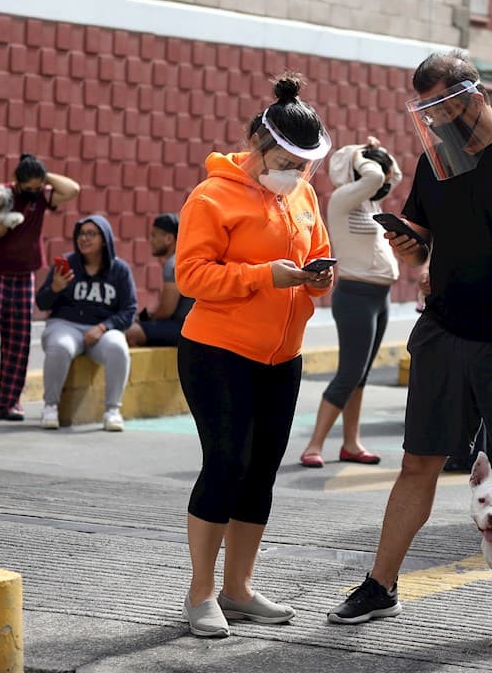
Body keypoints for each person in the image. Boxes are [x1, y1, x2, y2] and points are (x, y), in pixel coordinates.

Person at [327, 50, 492, 644]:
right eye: (424, 110)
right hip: (445, 332)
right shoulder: (438, 163)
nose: (432, 122)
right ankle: (380, 585)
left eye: (439, 107)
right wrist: (411, 249)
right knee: (418, 463)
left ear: (471, 95)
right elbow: (428, 245)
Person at [176, 74, 334, 638]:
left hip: (282, 356)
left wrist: (318, 278)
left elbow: (315, 251)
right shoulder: (212, 195)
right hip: (218, 350)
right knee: (226, 463)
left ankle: (238, 588)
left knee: (261, 471)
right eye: (289, 160)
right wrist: (262, 276)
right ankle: (201, 592)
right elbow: (191, 275)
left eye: (306, 163)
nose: (298, 172)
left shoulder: (303, 193)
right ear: (259, 146)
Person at [299, 137, 402, 468]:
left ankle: (351, 443)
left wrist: (379, 150)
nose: (383, 179)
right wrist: (359, 155)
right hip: (356, 296)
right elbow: (375, 178)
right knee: (349, 372)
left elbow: (392, 176)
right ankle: (314, 445)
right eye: (376, 170)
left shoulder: (372, 203)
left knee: (362, 374)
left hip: (379, 297)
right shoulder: (344, 199)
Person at [0, 154, 80, 422]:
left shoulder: (43, 197)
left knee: (19, 341)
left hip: (25, 276)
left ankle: (10, 404)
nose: (35, 193)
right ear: (17, 181)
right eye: (30, 187)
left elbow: (73, 189)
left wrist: (43, 176)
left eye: (39, 187)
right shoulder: (0, 195)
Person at [36, 215, 137, 432]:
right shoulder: (67, 264)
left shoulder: (119, 270)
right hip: (65, 324)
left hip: (101, 329)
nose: (84, 238)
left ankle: (112, 410)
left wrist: (103, 327)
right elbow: (41, 302)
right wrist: (54, 288)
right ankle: (50, 407)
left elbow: (129, 310)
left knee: (118, 347)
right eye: (81, 234)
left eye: (92, 234)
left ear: (104, 239)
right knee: (60, 346)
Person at [125, 213, 194, 348]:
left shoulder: (173, 264)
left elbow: (166, 310)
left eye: (154, 235)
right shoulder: (182, 259)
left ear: (169, 238)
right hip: (186, 326)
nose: (150, 240)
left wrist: (146, 318)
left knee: (131, 332)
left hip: (183, 329)